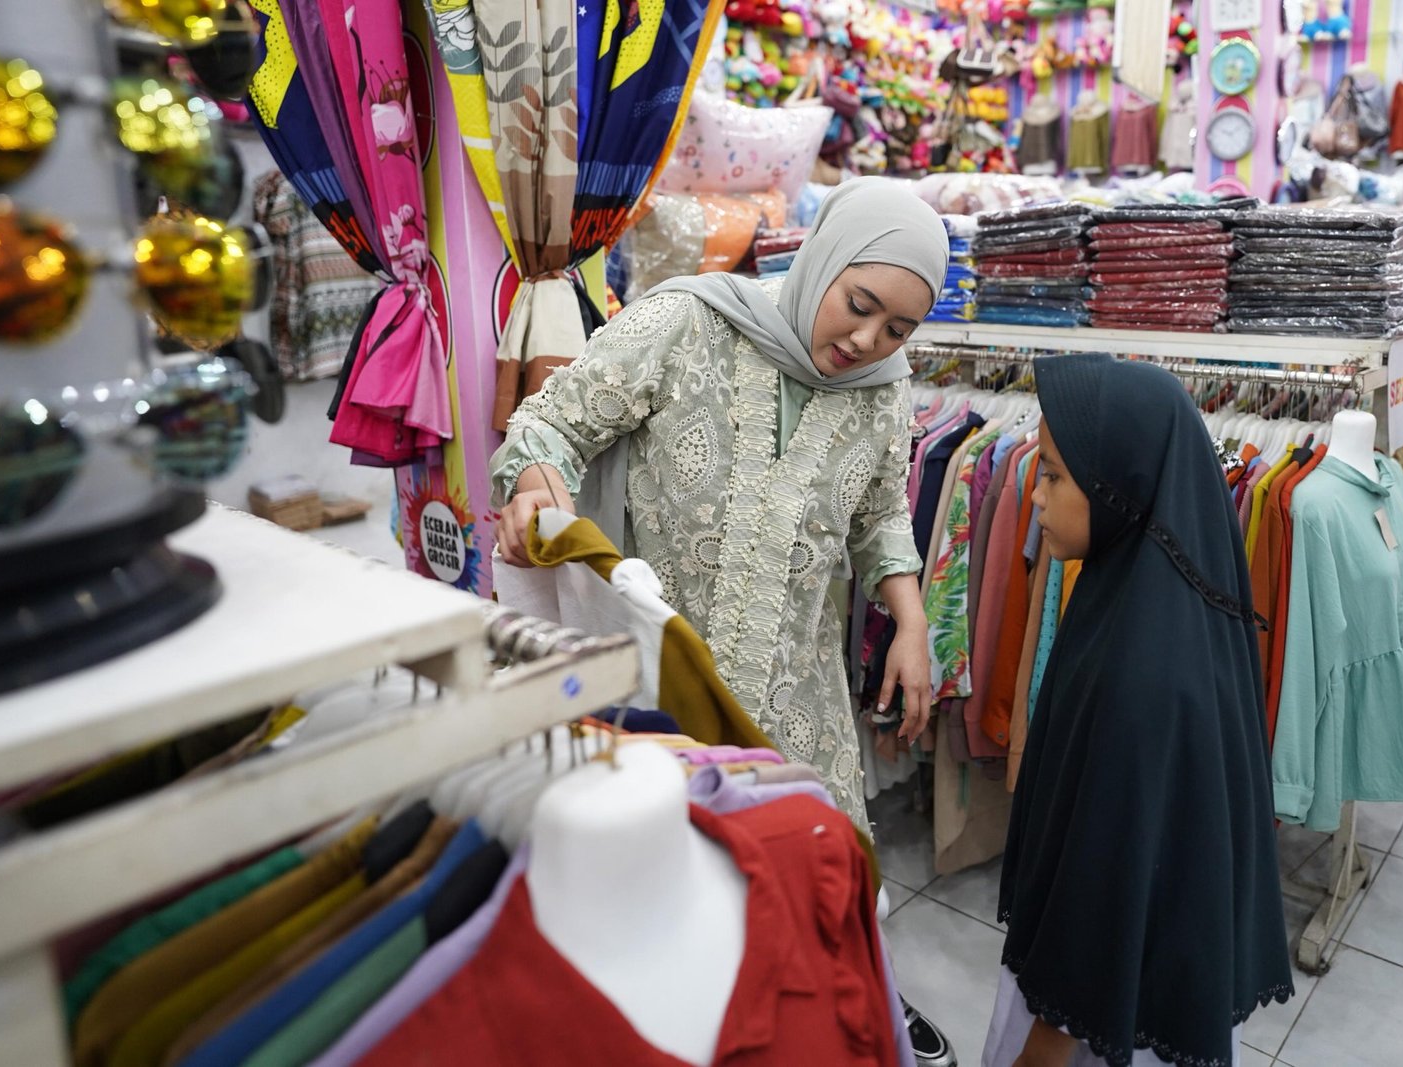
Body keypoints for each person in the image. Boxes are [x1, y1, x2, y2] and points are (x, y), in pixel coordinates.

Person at [489, 177, 947, 834]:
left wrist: (910, 622)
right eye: (858, 304)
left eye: (897, 330)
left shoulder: (881, 391)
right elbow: (551, 423)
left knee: (789, 876)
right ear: (824, 258)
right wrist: (537, 488)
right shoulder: (687, 323)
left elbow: (879, 515)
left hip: (794, 706)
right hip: (657, 688)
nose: (868, 341)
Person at [987, 356, 1294, 1067]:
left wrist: (1040, 1050)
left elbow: (1107, 882)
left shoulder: (1146, 667)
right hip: (1123, 984)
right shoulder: (1150, 592)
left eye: (1054, 476)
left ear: (1117, 483)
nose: (1035, 496)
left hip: (1110, 1010)